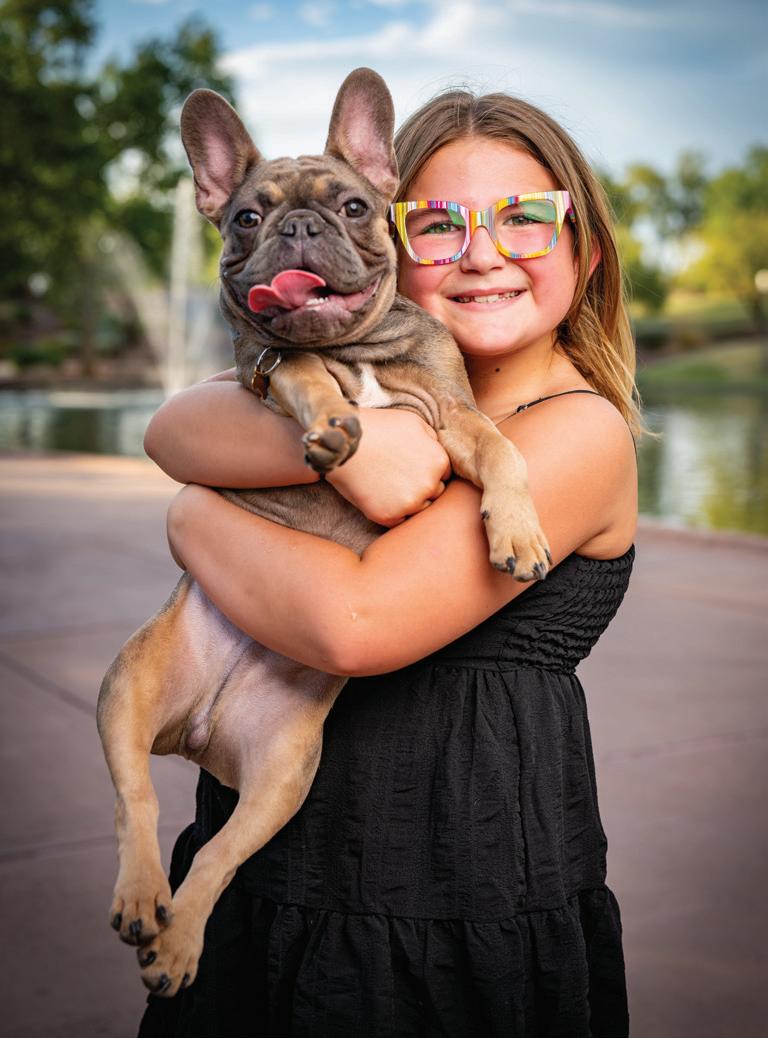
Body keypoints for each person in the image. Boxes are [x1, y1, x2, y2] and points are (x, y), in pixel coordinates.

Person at [138, 87, 639, 1037]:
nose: (482, 253)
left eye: (526, 219)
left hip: (455, 888)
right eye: (440, 224)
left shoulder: (579, 434)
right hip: (268, 868)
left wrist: (193, 517)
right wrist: (352, 443)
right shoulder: (362, 386)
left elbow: (353, 625)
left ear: (588, 250)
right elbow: (172, 430)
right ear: (390, 242)